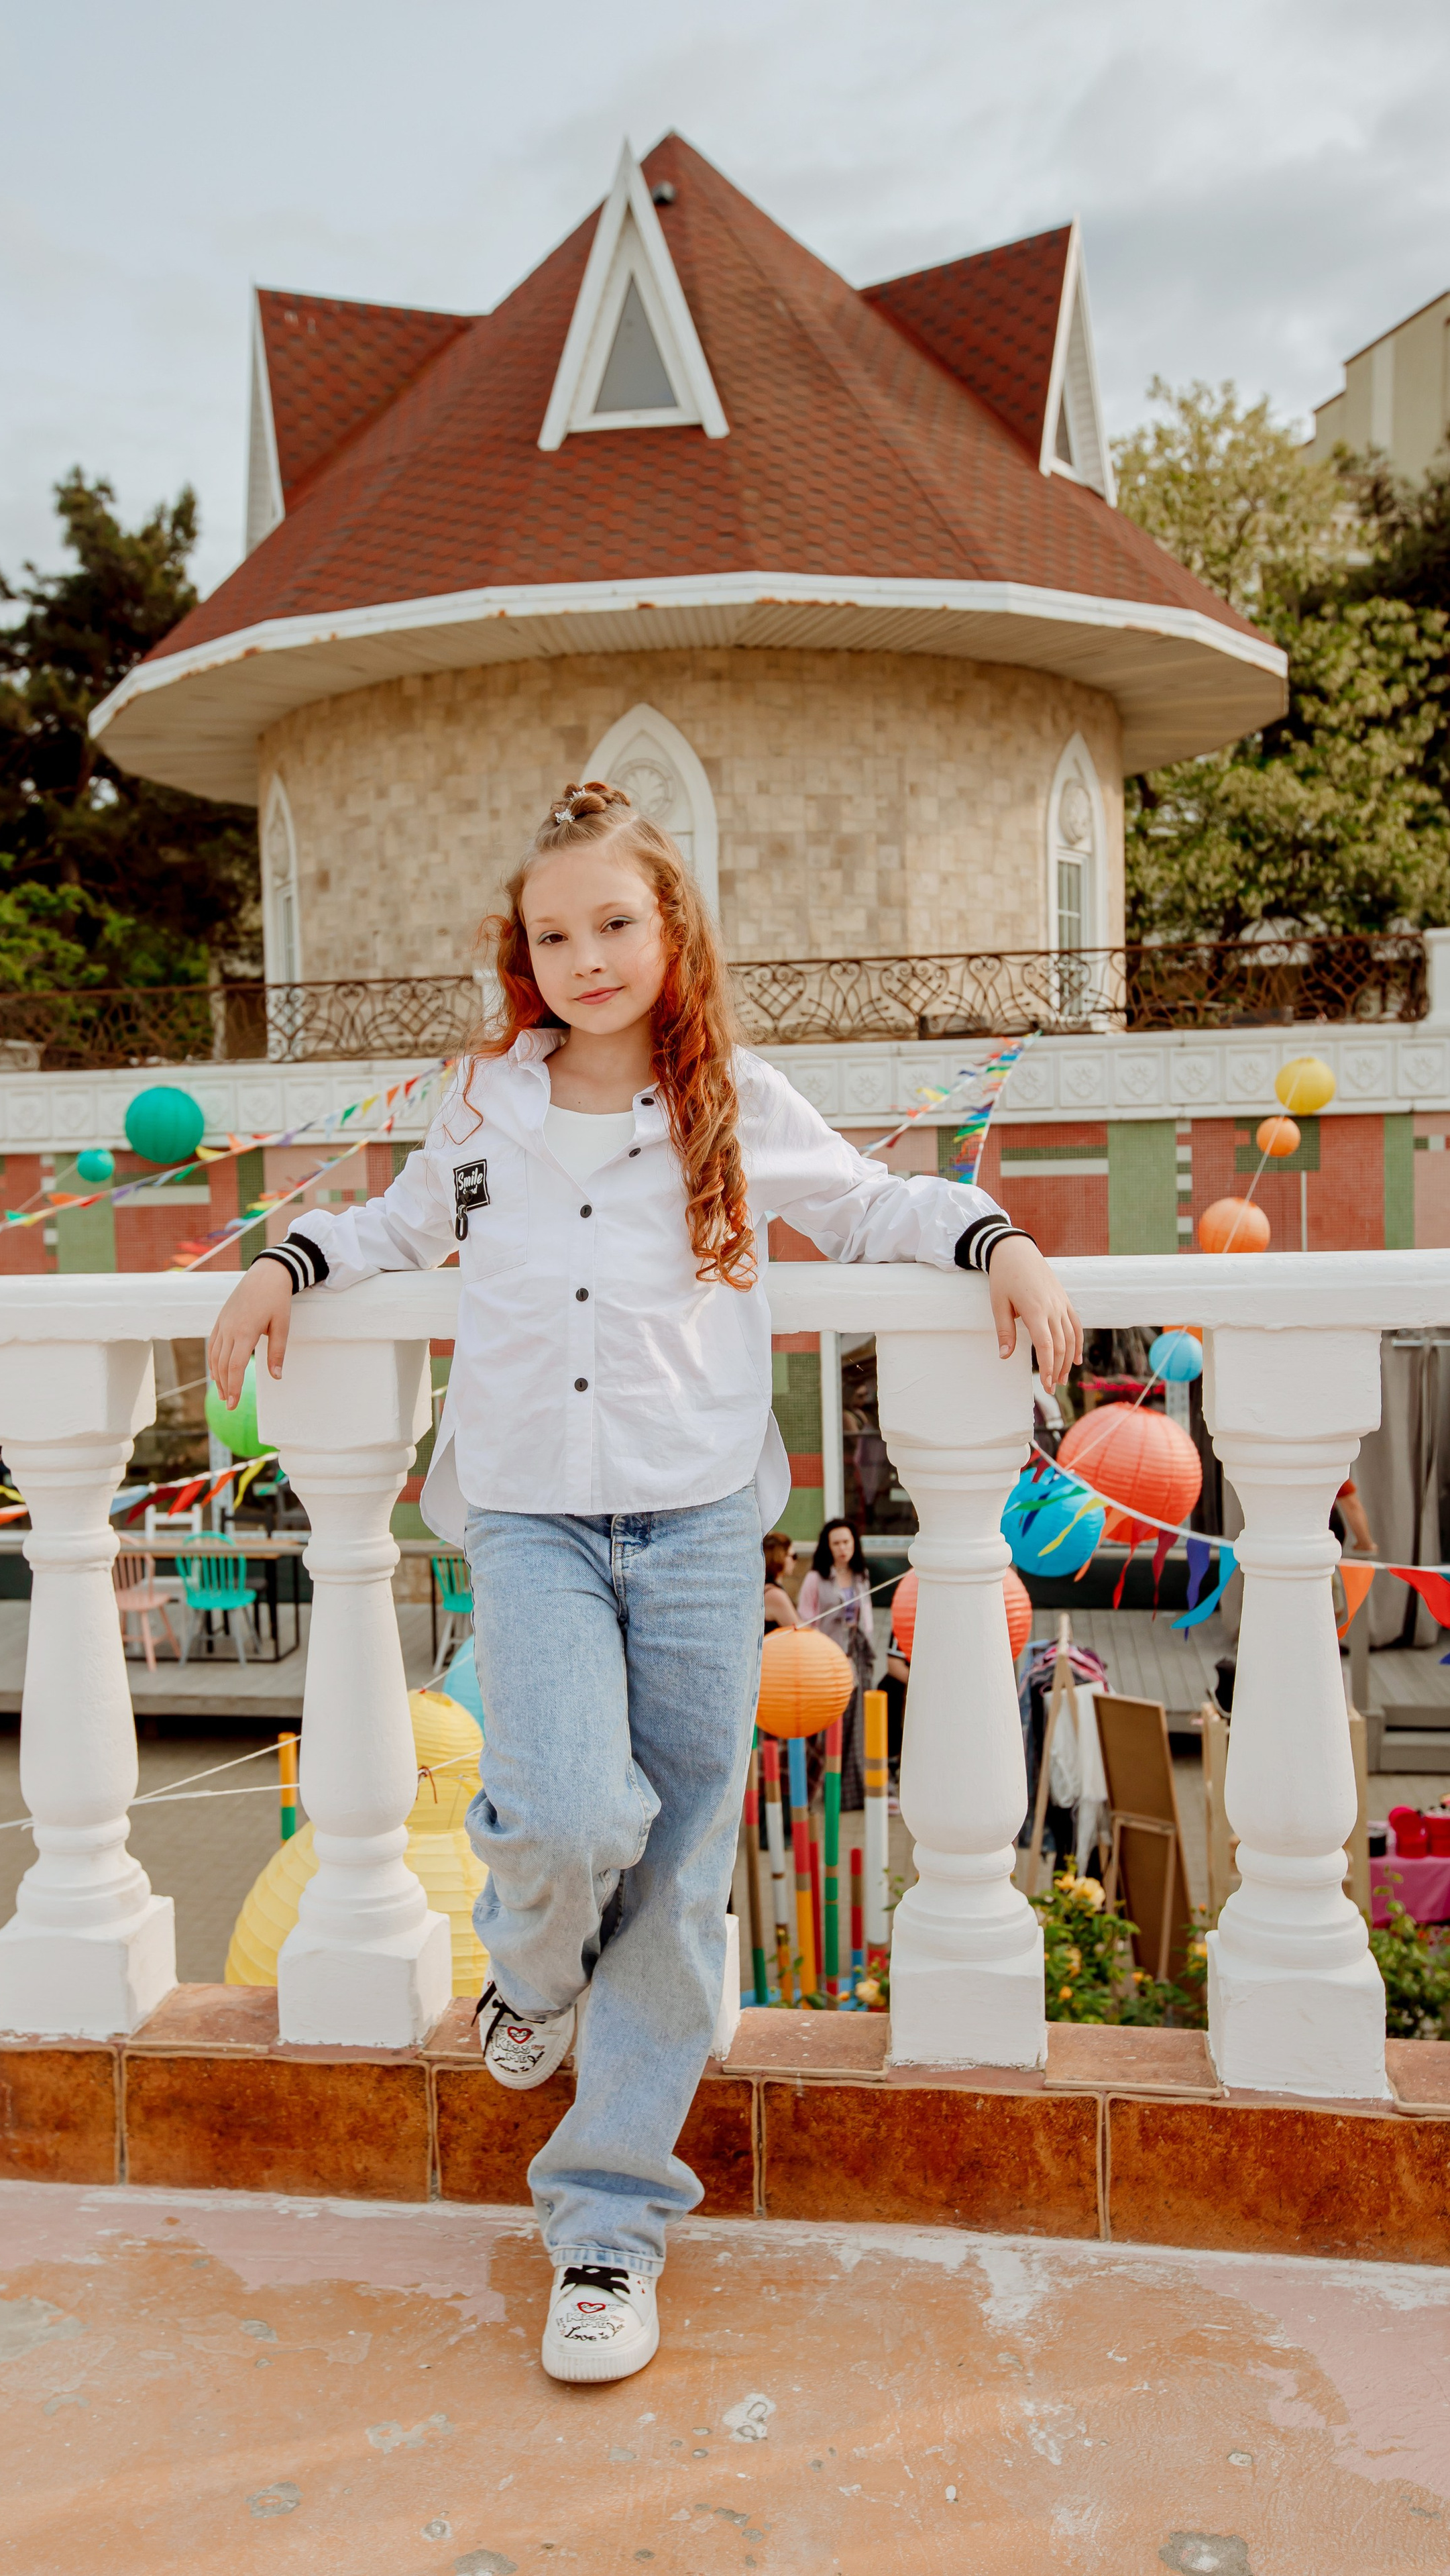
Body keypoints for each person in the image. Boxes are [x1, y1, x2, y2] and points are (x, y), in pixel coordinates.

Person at [208, 780, 1081, 2386]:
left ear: (671, 933)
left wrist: (995, 1240)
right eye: (552, 932)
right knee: (563, 1811)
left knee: (679, 1880)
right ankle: (530, 1979)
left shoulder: (732, 1100)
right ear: (519, 954)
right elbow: (398, 1229)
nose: (585, 955)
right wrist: (285, 1263)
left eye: (613, 922)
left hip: (692, 1527)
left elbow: (870, 1202)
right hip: (528, 1519)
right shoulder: (478, 1104)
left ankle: (604, 2230)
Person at [797, 1519, 876, 1811]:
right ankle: (820, 1784)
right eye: (837, 1543)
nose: (843, 1548)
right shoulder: (816, 1579)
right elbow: (806, 1621)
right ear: (827, 1547)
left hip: (856, 1658)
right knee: (830, 1724)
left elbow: (866, 1619)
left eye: (847, 1542)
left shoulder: (861, 1575)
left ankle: (850, 1794)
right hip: (826, 1661)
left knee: (857, 1724)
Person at [763, 1531, 799, 1633]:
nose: (795, 1561)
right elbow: (799, 1631)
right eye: (794, 1556)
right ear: (780, 1557)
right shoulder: (774, 1594)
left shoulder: (767, 1588)